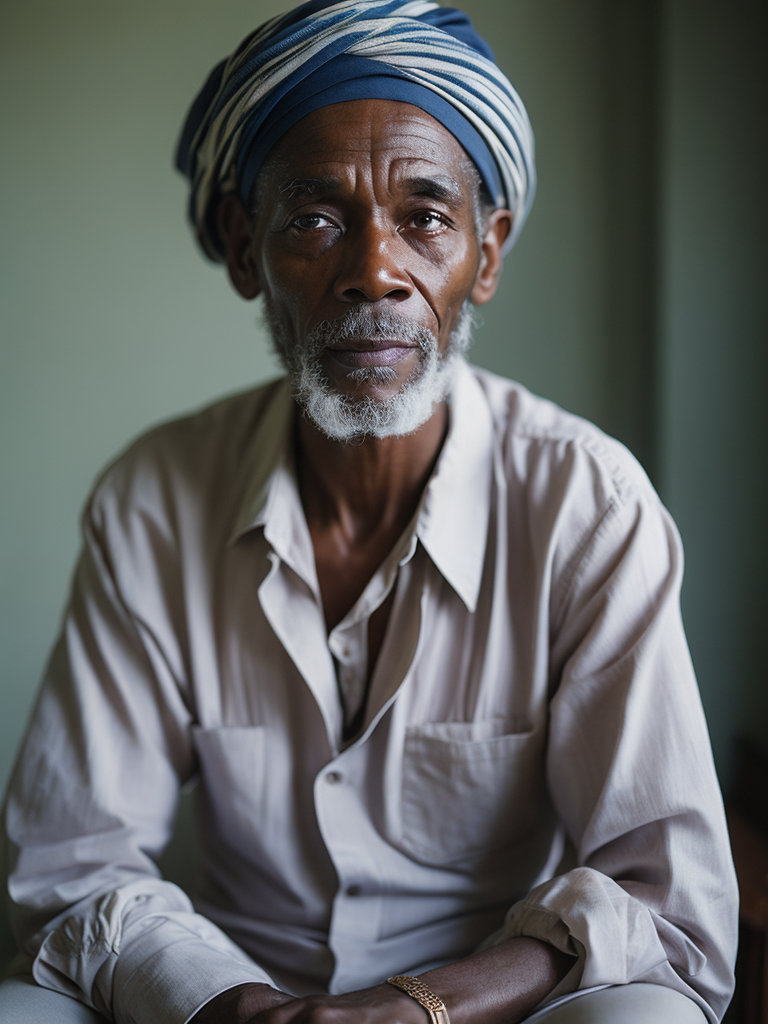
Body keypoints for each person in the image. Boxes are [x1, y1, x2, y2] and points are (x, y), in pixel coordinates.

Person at [1, 2, 738, 1022]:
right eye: (313, 218)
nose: (375, 271)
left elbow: (671, 906)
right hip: (233, 999)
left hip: (495, 1005)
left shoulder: (588, 508)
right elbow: (68, 865)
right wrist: (239, 1007)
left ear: (487, 253)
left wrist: (414, 1007)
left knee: (647, 1014)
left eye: (427, 216)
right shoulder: (153, 501)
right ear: (243, 245)